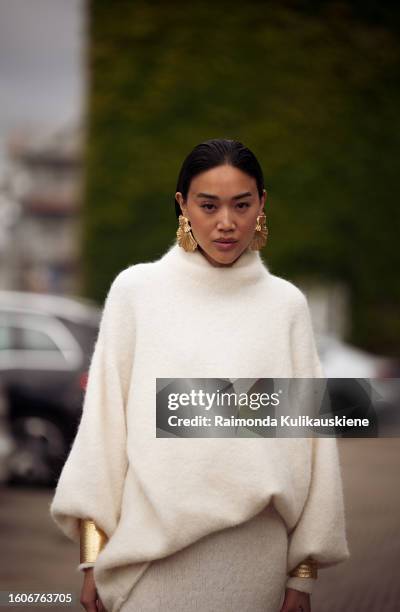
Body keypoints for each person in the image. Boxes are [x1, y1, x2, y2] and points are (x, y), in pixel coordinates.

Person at [49, 138, 350, 612]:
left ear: (262, 205)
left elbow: (314, 447)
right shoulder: (136, 292)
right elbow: (102, 432)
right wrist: (92, 558)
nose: (226, 223)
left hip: (257, 566)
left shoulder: (287, 306)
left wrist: (303, 576)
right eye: (208, 205)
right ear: (182, 204)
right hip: (150, 560)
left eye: (241, 204)